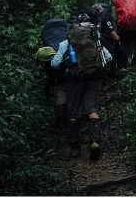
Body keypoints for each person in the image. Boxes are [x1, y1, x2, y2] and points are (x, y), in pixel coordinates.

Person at [50, 13, 113, 161]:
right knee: (92, 109)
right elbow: (108, 58)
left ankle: (75, 148)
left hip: (74, 79)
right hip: (94, 77)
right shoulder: (96, 41)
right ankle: (95, 141)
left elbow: (54, 63)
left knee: (73, 112)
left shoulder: (67, 43)